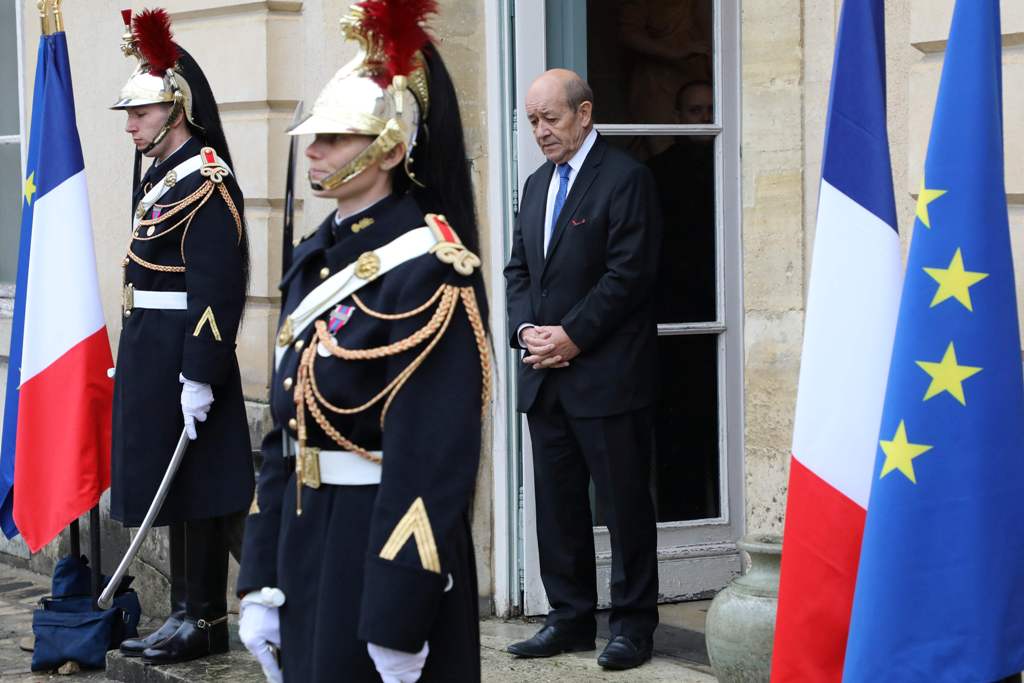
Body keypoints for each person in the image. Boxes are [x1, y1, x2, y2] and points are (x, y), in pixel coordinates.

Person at [236, 2, 491, 682]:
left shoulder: (432, 269)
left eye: (337, 137)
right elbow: (282, 433)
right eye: (314, 135)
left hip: (377, 547)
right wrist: (259, 572)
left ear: (391, 147)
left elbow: (430, 460)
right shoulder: (316, 258)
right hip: (304, 535)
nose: (314, 149)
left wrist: (398, 613)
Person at [504, 69, 663, 671]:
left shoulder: (626, 179)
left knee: (623, 507)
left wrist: (571, 336)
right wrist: (526, 331)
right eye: (532, 121)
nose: (540, 131)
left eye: (550, 118)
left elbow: (629, 276)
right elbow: (519, 271)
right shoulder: (537, 184)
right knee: (558, 505)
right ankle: (569, 618)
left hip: (609, 375)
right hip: (546, 375)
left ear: (584, 114)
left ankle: (632, 626)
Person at [108, 8, 253, 665]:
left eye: (141, 113)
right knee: (184, 490)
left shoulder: (208, 178)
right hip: (154, 347)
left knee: (201, 488)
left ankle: (208, 615)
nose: (132, 125)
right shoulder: (164, 176)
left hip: (186, 354)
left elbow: (217, 287)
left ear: (177, 109)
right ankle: (189, 612)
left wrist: (201, 369)